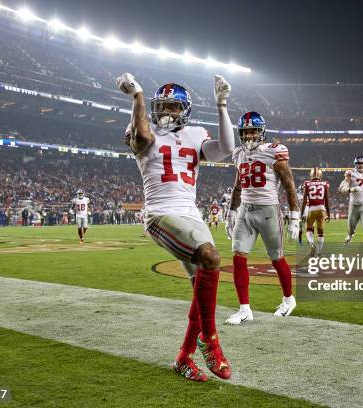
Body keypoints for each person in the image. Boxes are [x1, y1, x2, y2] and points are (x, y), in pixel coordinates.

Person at [117, 72, 234, 382]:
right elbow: (142, 139)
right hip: (160, 214)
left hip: (191, 216)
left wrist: (222, 104)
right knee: (210, 258)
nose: (167, 112)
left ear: (185, 110)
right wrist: (138, 96)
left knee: (200, 292)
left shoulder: (196, 134)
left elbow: (224, 150)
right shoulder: (142, 126)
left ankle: (183, 357)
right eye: (163, 106)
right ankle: (210, 341)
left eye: (174, 107)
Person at [224, 111, 300, 325]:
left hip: (268, 211)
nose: (248, 136)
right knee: (238, 256)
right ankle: (244, 309)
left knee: (277, 258)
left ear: (261, 132)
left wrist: (295, 216)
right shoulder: (238, 154)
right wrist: (231, 211)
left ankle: (288, 299)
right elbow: (238, 185)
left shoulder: (274, 152)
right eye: (245, 132)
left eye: (252, 131)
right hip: (245, 211)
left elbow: (289, 184)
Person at [301, 167, 330, 256]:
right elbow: (327, 201)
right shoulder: (325, 184)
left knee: (309, 229)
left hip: (311, 209)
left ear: (311, 175)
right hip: (322, 209)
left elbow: (304, 201)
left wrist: (302, 213)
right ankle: (320, 252)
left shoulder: (307, 183)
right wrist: (328, 214)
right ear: (320, 175)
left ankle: (312, 244)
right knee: (320, 231)